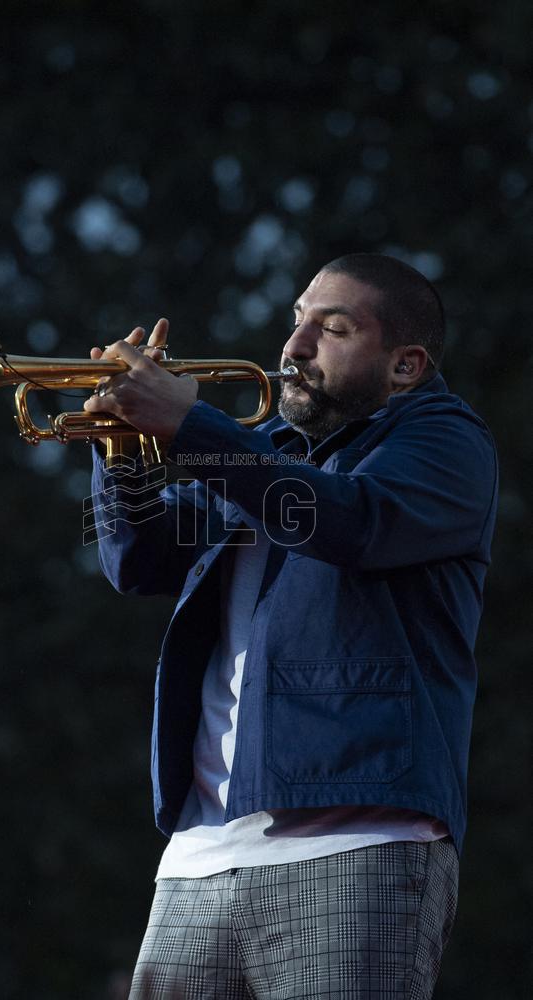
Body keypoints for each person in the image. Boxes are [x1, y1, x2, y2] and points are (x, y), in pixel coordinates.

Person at [85, 253, 498, 999]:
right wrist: (120, 450)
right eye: (296, 320)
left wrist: (190, 427)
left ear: (405, 365)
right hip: (197, 856)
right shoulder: (264, 452)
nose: (294, 347)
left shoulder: (445, 441)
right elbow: (138, 560)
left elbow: (350, 522)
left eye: (332, 329)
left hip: (358, 842)